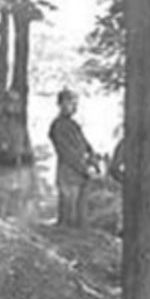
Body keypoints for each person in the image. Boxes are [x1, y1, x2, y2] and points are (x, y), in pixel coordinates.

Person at [49, 88, 99, 228]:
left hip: (81, 176)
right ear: (61, 104)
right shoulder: (58, 126)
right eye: (70, 102)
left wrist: (93, 162)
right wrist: (85, 168)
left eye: (75, 103)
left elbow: (86, 146)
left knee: (81, 219)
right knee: (68, 218)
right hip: (68, 177)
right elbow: (66, 153)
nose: (74, 107)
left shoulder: (74, 125)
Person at [0, 91, 35, 219]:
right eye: (9, 102)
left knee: (15, 219)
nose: (13, 106)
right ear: (2, 104)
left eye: (16, 102)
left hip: (17, 177)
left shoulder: (20, 127)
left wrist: (26, 157)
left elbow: (29, 152)